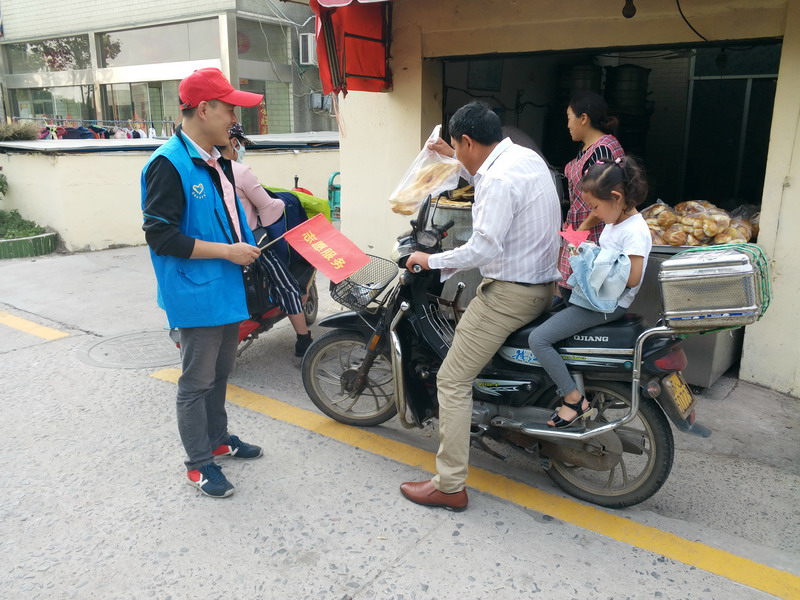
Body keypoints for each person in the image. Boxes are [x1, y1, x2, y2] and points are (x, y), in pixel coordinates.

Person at [400, 101, 562, 511]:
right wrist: (450, 156)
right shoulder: (524, 158)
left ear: (469, 141)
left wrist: (430, 260)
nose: (458, 152)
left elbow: (483, 247)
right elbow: (481, 173)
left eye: (458, 145)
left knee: (452, 380)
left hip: (511, 294)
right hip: (543, 285)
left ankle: (449, 484)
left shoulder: (496, 180)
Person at [141, 68, 265, 498]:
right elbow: (162, 237)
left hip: (225, 286)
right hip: (195, 290)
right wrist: (229, 252)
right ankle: (198, 464)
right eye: (229, 108)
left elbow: (228, 217)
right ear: (205, 109)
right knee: (196, 382)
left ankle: (217, 439)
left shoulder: (216, 159)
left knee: (221, 371)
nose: (234, 118)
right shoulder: (168, 164)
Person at [529, 157, 651, 428]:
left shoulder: (634, 231)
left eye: (595, 206)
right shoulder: (616, 219)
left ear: (616, 197)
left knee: (539, 339)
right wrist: (585, 229)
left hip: (606, 305)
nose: (593, 212)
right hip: (594, 297)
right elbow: (597, 225)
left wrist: (597, 260)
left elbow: (633, 278)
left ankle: (573, 399)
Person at [220, 123, 313, 357]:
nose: (242, 149)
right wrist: (288, 201)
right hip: (251, 244)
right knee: (288, 286)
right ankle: (304, 340)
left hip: (216, 245)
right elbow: (268, 207)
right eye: (242, 144)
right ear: (234, 142)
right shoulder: (239, 171)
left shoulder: (202, 170)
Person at [558, 91, 625, 300]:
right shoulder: (589, 148)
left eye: (569, 118)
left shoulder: (601, 151)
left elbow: (604, 199)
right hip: (580, 234)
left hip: (592, 238)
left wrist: (580, 233)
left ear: (584, 118)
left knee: (581, 295)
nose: (568, 125)